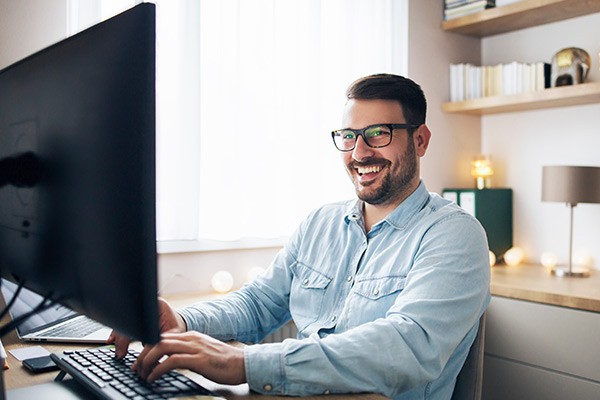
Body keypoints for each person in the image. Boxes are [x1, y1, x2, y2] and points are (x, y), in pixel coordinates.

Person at [109, 73, 490, 399]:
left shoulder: (454, 234)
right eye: (348, 135)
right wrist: (182, 321)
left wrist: (243, 363)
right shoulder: (319, 223)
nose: (358, 153)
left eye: (378, 134)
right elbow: (258, 304)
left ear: (420, 140)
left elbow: (409, 346)